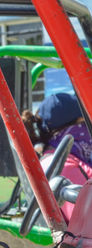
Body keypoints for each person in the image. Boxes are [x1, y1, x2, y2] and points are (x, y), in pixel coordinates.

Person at [22, 92, 92, 220]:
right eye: (84, 122)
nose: (87, 129)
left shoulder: (70, 158)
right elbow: (86, 220)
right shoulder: (61, 165)